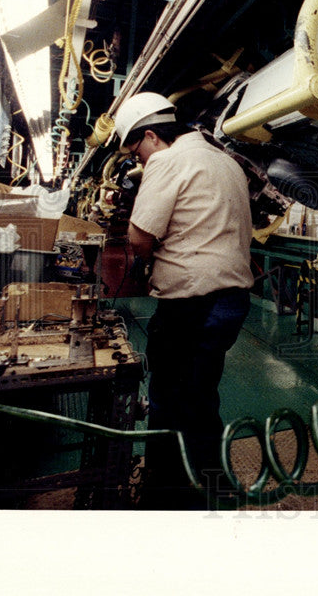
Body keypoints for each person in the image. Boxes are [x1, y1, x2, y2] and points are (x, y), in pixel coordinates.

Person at [112, 92, 254, 509]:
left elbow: (139, 238)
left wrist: (144, 255)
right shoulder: (226, 161)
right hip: (231, 300)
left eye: (136, 149)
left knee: (169, 399)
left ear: (152, 136)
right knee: (200, 396)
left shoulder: (166, 161)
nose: (138, 160)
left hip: (193, 304)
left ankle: (168, 495)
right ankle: (213, 485)